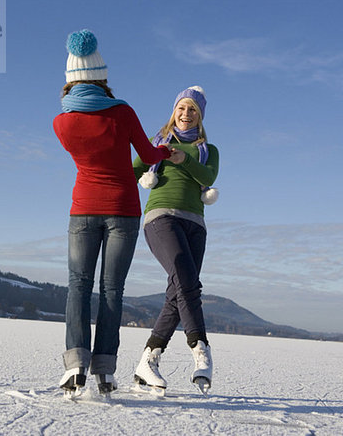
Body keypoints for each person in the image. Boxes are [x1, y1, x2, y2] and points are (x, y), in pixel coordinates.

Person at [52, 29, 171, 397]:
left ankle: (75, 367)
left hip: (82, 209)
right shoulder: (122, 112)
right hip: (123, 210)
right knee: (111, 291)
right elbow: (149, 157)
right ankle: (104, 372)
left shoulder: (62, 122)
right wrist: (166, 151)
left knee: (78, 287)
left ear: (70, 78)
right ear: (101, 74)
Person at [132, 86, 219, 395]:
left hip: (196, 224)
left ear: (200, 115)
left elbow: (208, 178)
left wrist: (183, 159)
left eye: (193, 109)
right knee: (185, 278)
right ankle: (200, 347)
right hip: (161, 218)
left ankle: (148, 360)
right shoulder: (157, 145)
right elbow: (131, 171)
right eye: (181, 107)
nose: (186, 113)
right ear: (174, 111)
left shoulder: (208, 150)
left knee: (178, 289)